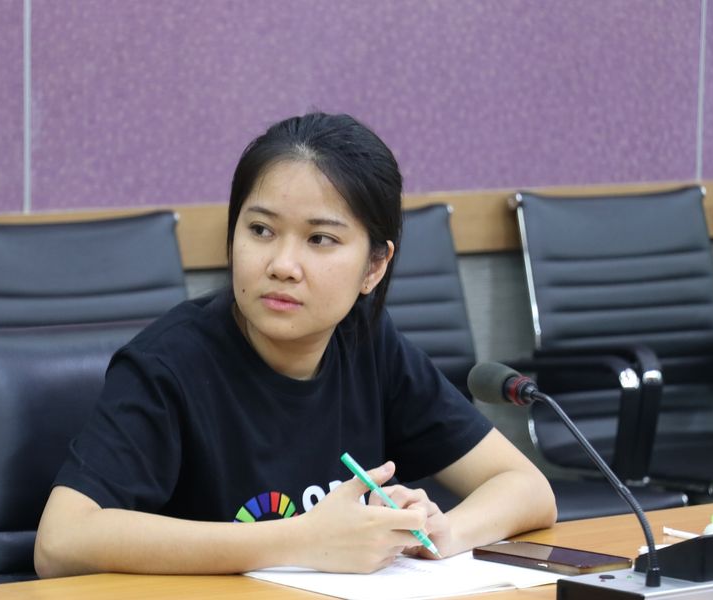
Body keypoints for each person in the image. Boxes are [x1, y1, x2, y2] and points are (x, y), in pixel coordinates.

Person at [34, 112, 556, 578]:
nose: (282, 265)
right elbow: (61, 542)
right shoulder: (169, 363)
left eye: (319, 239)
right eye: (261, 230)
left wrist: (438, 533)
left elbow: (527, 488)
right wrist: (302, 540)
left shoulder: (368, 343)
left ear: (374, 267)